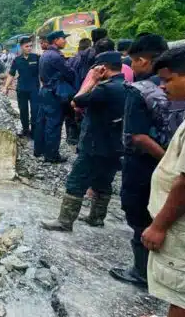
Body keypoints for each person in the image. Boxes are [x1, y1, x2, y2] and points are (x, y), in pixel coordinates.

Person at [110, 35, 185, 288]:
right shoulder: (179, 87)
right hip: (176, 165)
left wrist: (168, 163)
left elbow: (138, 136)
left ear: (143, 60)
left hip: (147, 166)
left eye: (133, 62)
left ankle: (142, 272)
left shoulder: (139, 90)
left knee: (139, 214)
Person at [41, 52, 128, 231]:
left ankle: (65, 221)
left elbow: (77, 101)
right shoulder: (127, 87)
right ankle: (97, 217)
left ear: (102, 68)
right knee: (103, 181)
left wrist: (91, 80)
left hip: (94, 144)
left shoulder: (104, 89)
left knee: (76, 181)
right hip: (115, 145)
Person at [141, 46, 185, 317]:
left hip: (180, 224)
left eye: (168, 80)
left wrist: (159, 225)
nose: (162, 86)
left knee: (182, 291)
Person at [34, 31, 76, 163]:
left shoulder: (44, 55)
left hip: (45, 90)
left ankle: (39, 150)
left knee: (42, 121)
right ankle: (52, 155)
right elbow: (69, 73)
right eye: (63, 39)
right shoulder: (56, 56)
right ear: (56, 40)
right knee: (54, 123)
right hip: (54, 93)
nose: (65, 41)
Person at [3, 36, 40, 138]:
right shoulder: (17, 60)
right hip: (21, 89)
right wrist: (5, 86)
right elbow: (11, 74)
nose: (29, 48)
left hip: (34, 90)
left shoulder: (36, 57)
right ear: (21, 47)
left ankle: (34, 132)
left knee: (35, 111)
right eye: (27, 46)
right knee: (23, 111)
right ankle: (25, 130)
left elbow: (42, 73)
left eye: (30, 46)